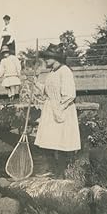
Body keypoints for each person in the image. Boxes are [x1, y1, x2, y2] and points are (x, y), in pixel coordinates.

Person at [33, 43, 81, 176]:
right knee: (48, 141)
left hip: (62, 110)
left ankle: (60, 174)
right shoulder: (52, 72)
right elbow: (47, 91)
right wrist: (36, 81)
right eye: (46, 57)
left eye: (49, 57)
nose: (46, 60)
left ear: (57, 58)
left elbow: (69, 94)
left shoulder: (65, 71)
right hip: (50, 109)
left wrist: (59, 109)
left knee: (61, 142)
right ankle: (51, 170)